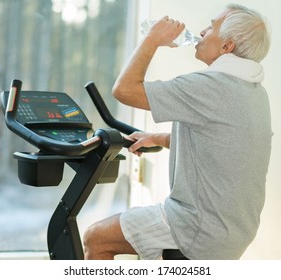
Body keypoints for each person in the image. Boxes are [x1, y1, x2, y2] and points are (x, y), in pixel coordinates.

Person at [83, 4, 272, 260]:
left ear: (227, 47)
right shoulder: (254, 92)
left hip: (198, 227)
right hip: (234, 232)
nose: (203, 30)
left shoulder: (210, 86)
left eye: (212, 25)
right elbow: (222, 143)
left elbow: (124, 89)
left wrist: (152, 39)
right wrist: (157, 137)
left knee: (96, 239)